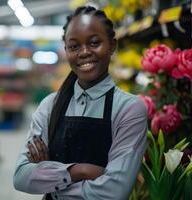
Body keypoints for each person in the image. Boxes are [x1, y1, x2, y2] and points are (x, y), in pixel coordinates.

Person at [13, 6, 147, 200]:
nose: (84, 52)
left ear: (112, 45)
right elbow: (20, 177)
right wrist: (80, 171)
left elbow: (114, 192)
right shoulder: (50, 105)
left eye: (94, 43)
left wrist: (51, 179)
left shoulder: (129, 109)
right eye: (74, 46)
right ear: (66, 50)